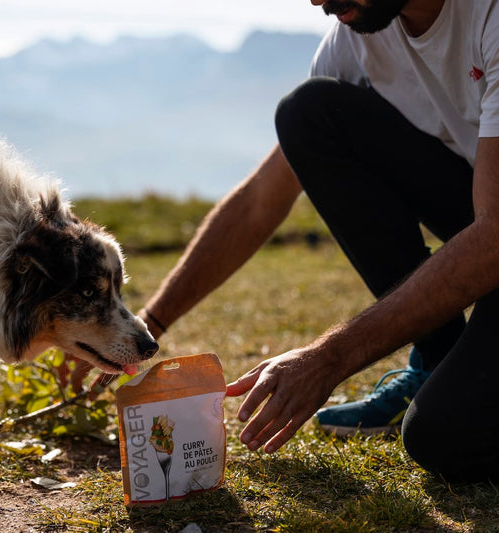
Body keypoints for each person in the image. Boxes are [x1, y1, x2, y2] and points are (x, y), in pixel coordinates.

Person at [136, 0, 499, 483]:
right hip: (482, 217)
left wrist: (330, 358)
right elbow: (262, 198)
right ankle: (439, 357)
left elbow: (493, 239)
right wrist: (147, 325)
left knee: (444, 438)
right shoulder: (359, 34)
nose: (314, 1)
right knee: (308, 114)